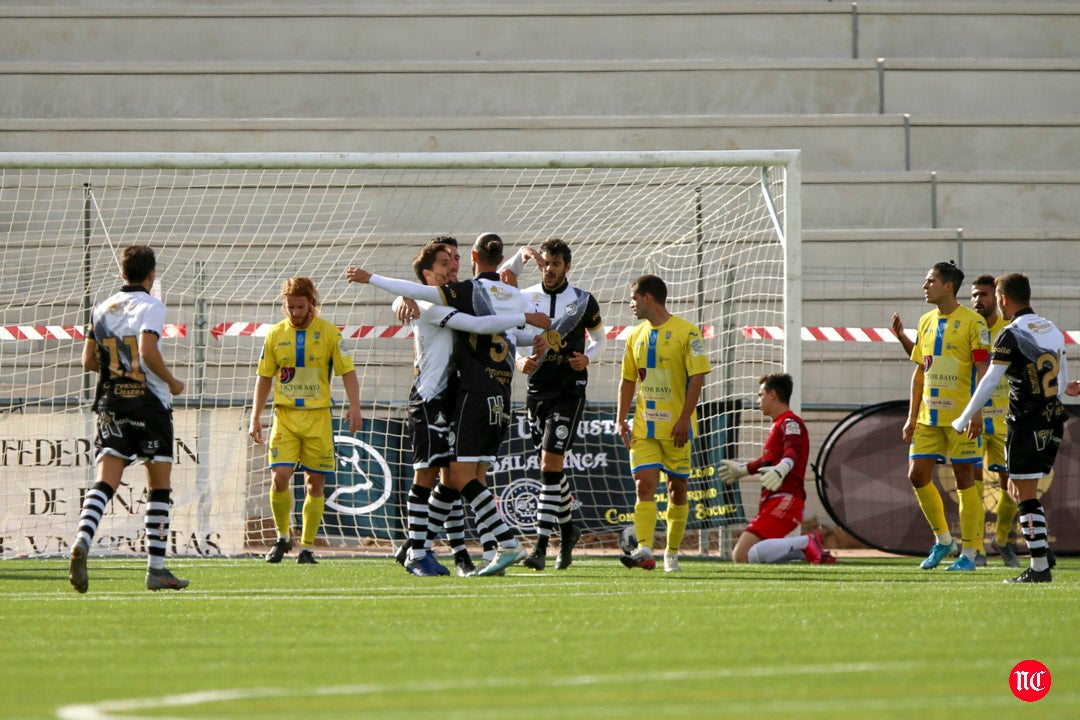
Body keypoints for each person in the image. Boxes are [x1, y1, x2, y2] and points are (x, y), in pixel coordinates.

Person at [347, 232, 551, 576]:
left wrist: (530, 333)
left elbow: (491, 295)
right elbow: (475, 322)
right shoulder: (429, 304)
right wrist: (395, 295)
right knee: (428, 476)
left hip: (454, 397)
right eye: (445, 263)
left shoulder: (454, 298)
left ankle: (436, 549)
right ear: (427, 274)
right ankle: (422, 553)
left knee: (451, 479)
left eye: (456, 260)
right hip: (428, 399)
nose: (452, 267)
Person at [68, 245, 189, 593]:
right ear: (151, 275)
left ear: (122, 274)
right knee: (159, 486)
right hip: (148, 403)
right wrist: (172, 381)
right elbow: (148, 351)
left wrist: (116, 367)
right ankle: (156, 569)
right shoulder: (152, 305)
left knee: (105, 482)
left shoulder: (102, 306)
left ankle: (83, 541)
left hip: (111, 401)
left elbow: (88, 360)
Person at [952, 273, 1076, 583]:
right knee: (1016, 489)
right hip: (1053, 419)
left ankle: (1038, 567)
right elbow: (1062, 383)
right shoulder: (1052, 329)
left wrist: (965, 415)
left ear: (1003, 299)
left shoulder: (1010, 333)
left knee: (1025, 493)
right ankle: (1042, 549)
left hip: (1026, 423)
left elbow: (991, 379)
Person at [500, 238, 606, 571]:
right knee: (552, 470)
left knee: (548, 465)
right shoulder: (526, 298)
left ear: (567, 267)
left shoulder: (583, 301)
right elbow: (512, 337)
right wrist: (518, 360)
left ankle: (541, 547)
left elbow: (601, 338)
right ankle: (568, 529)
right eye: (544, 263)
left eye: (555, 264)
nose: (548, 270)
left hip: (569, 391)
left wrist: (586, 359)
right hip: (537, 391)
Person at [249, 277, 363, 565]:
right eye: (290, 307)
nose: (295, 312)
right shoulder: (275, 334)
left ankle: (308, 547)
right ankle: (281, 536)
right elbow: (264, 378)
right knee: (279, 478)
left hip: (318, 418)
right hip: (285, 417)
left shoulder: (328, 334)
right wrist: (255, 417)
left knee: (315, 484)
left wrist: (355, 406)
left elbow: (347, 371)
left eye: (301, 306)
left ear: (313, 303)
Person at [616, 274, 711, 573]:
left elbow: (698, 377)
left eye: (633, 298)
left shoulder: (689, 333)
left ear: (648, 298)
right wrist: (620, 419)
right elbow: (627, 380)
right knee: (643, 485)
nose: (630, 304)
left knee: (676, 490)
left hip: (677, 429)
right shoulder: (634, 335)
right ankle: (644, 548)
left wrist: (684, 419)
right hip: (644, 427)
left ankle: (671, 553)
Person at [904, 261, 990, 572]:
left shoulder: (973, 323)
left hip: (961, 418)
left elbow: (983, 370)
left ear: (948, 286)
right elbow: (919, 372)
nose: (925, 286)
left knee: (965, 480)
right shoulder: (925, 321)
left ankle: (968, 553)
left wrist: (976, 411)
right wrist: (911, 416)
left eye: (930, 281)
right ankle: (943, 540)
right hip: (928, 417)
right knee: (917, 475)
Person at [719, 373, 834, 564]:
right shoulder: (779, 424)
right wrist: (742, 470)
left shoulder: (790, 422)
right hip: (775, 500)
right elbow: (769, 459)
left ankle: (807, 542)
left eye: (760, 394)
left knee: (741, 555)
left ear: (772, 394)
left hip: (786, 499)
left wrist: (782, 468)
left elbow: (793, 450)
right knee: (751, 555)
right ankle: (803, 551)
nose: (758, 400)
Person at [968, 275, 1022, 567]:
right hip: (975, 420)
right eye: (975, 295)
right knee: (973, 484)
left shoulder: (1010, 330)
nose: (979, 300)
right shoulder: (967, 327)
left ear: (996, 298)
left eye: (984, 295)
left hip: (1004, 420)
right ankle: (976, 547)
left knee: (1010, 484)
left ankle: (1001, 540)